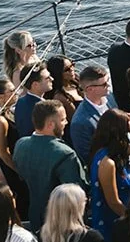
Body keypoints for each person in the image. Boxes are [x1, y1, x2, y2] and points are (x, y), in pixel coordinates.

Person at [11, 99, 87, 231]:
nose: (66, 122)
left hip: (35, 217)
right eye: (63, 120)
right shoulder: (65, 154)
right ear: (51, 125)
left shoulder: (20, 145)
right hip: (62, 222)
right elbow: (76, 192)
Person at [89, 109, 130, 240]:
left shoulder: (116, 151)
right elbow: (113, 202)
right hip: (113, 221)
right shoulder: (108, 163)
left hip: (123, 216)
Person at [69, 62, 114, 163]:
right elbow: (87, 156)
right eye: (104, 84)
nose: (108, 85)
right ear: (90, 89)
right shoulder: (80, 122)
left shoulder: (110, 97)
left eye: (108, 81)